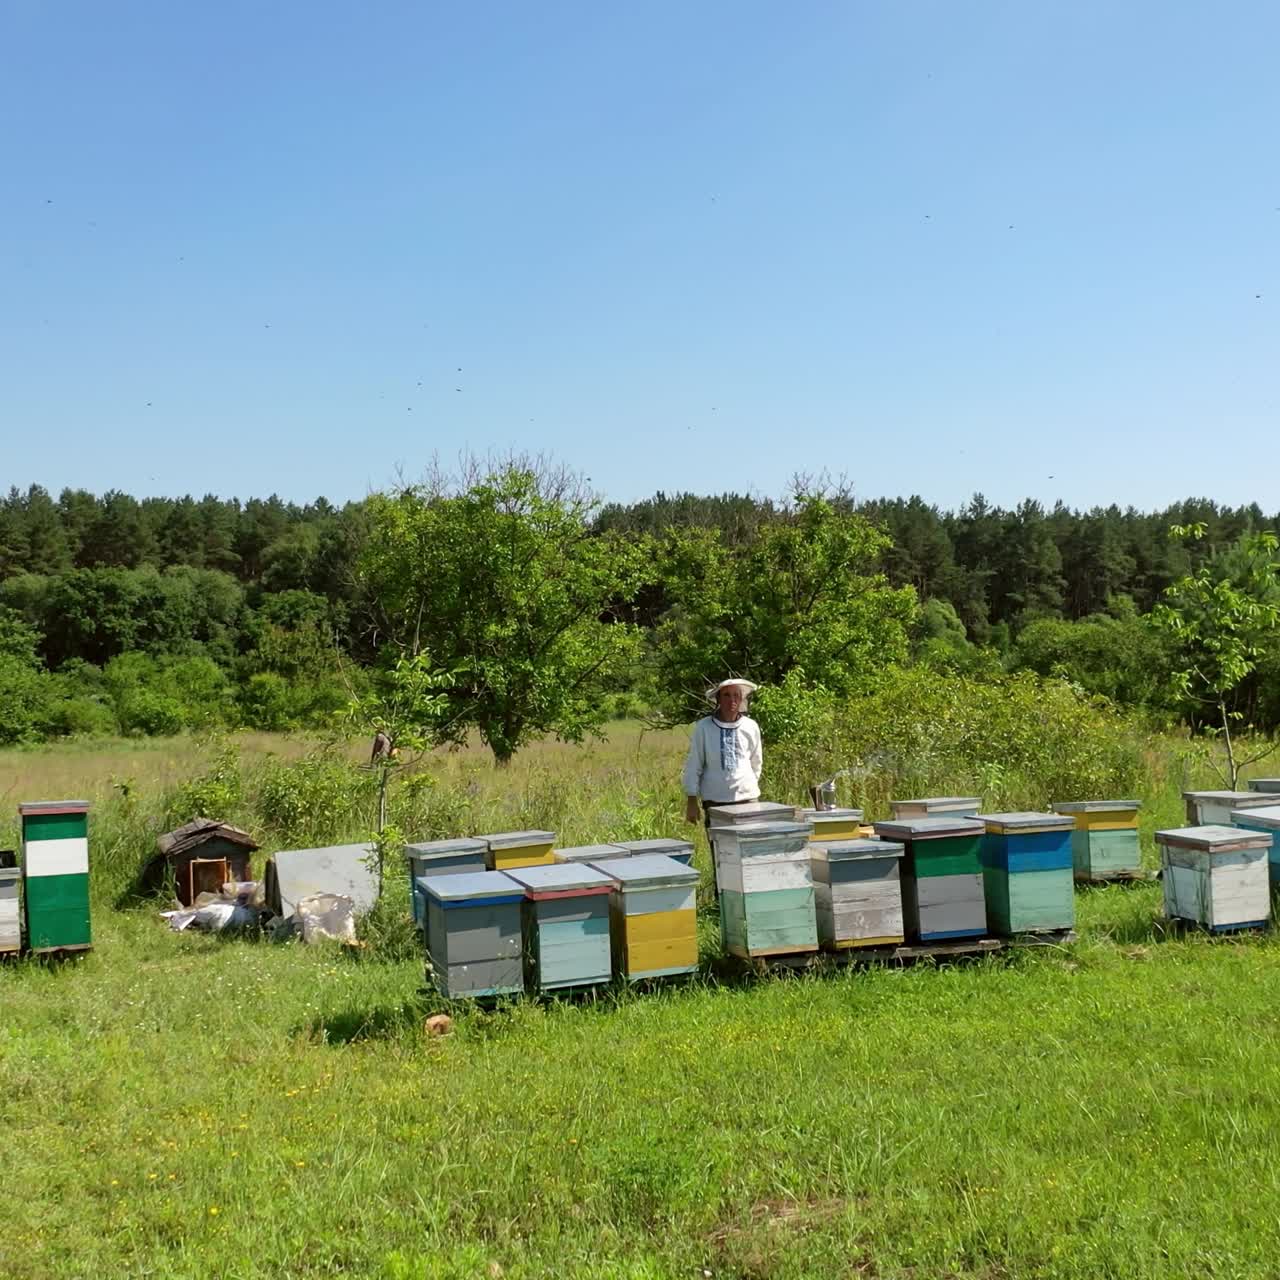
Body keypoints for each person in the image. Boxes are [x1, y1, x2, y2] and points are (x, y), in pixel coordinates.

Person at [682, 678, 763, 829]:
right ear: (718, 698)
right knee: (721, 849)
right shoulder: (703, 728)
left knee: (749, 849)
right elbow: (694, 764)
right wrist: (692, 800)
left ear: (741, 699)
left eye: (736, 695)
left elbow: (756, 763)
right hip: (715, 802)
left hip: (748, 800)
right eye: (726, 695)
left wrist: (746, 787)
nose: (732, 700)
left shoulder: (751, 727)